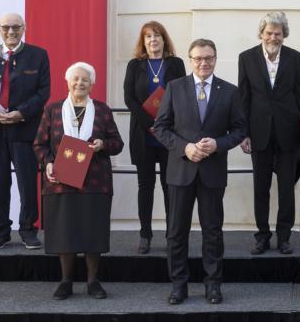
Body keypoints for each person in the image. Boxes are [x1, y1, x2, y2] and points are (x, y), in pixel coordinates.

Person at [152, 39, 246, 305]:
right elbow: (160, 128)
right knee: (176, 232)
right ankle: (178, 285)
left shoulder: (229, 91)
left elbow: (239, 130)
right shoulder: (174, 87)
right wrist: (185, 148)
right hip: (181, 171)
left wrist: (218, 144)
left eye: (209, 58)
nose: (203, 63)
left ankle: (213, 285)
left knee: (212, 231)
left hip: (213, 172)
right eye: (198, 58)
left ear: (215, 59)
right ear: (190, 60)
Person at [34, 62, 124, 300]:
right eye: (75, 79)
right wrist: (49, 163)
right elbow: (39, 144)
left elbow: (118, 144)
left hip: (95, 182)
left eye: (85, 80)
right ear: (68, 82)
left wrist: (103, 145)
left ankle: (93, 281)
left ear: (92, 84)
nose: (80, 83)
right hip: (61, 181)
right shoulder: (52, 110)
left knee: (93, 233)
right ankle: (66, 281)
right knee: (65, 232)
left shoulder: (102, 110)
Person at [0, 13, 51, 250]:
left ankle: (28, 230)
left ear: (24, 28)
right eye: (6, 27)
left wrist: (21, 112)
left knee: (27, 182)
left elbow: (43, 92)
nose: (11, 32)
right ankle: (1, 231)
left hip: (25, 131)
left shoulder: (38, 55)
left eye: (16, 27)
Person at [237, 11, 300, 255]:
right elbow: (243, 99)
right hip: (258, 132)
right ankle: (262, 236)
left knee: (287, 187)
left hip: (289, 132)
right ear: (262, 33)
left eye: (278, 33)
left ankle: (284, 236)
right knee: (261, 187)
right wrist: (243, 133)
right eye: (269, 32)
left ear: (284, 35)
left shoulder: (296, 58)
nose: (273, 37)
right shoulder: (246, 58)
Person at [122, 21, 185, 254]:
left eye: (157, 35)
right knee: (145, 187)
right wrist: (151, 124)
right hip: (143, 136)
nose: (153, 40)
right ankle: (145, 235)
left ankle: (172, 235)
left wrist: (161, 125)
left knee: (170, 188)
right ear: (143, 41)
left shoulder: (176, 64)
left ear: (164, 39)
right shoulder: (135, 65)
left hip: (169, 137)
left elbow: (181, 95)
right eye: (148, 36)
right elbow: (129, 98)